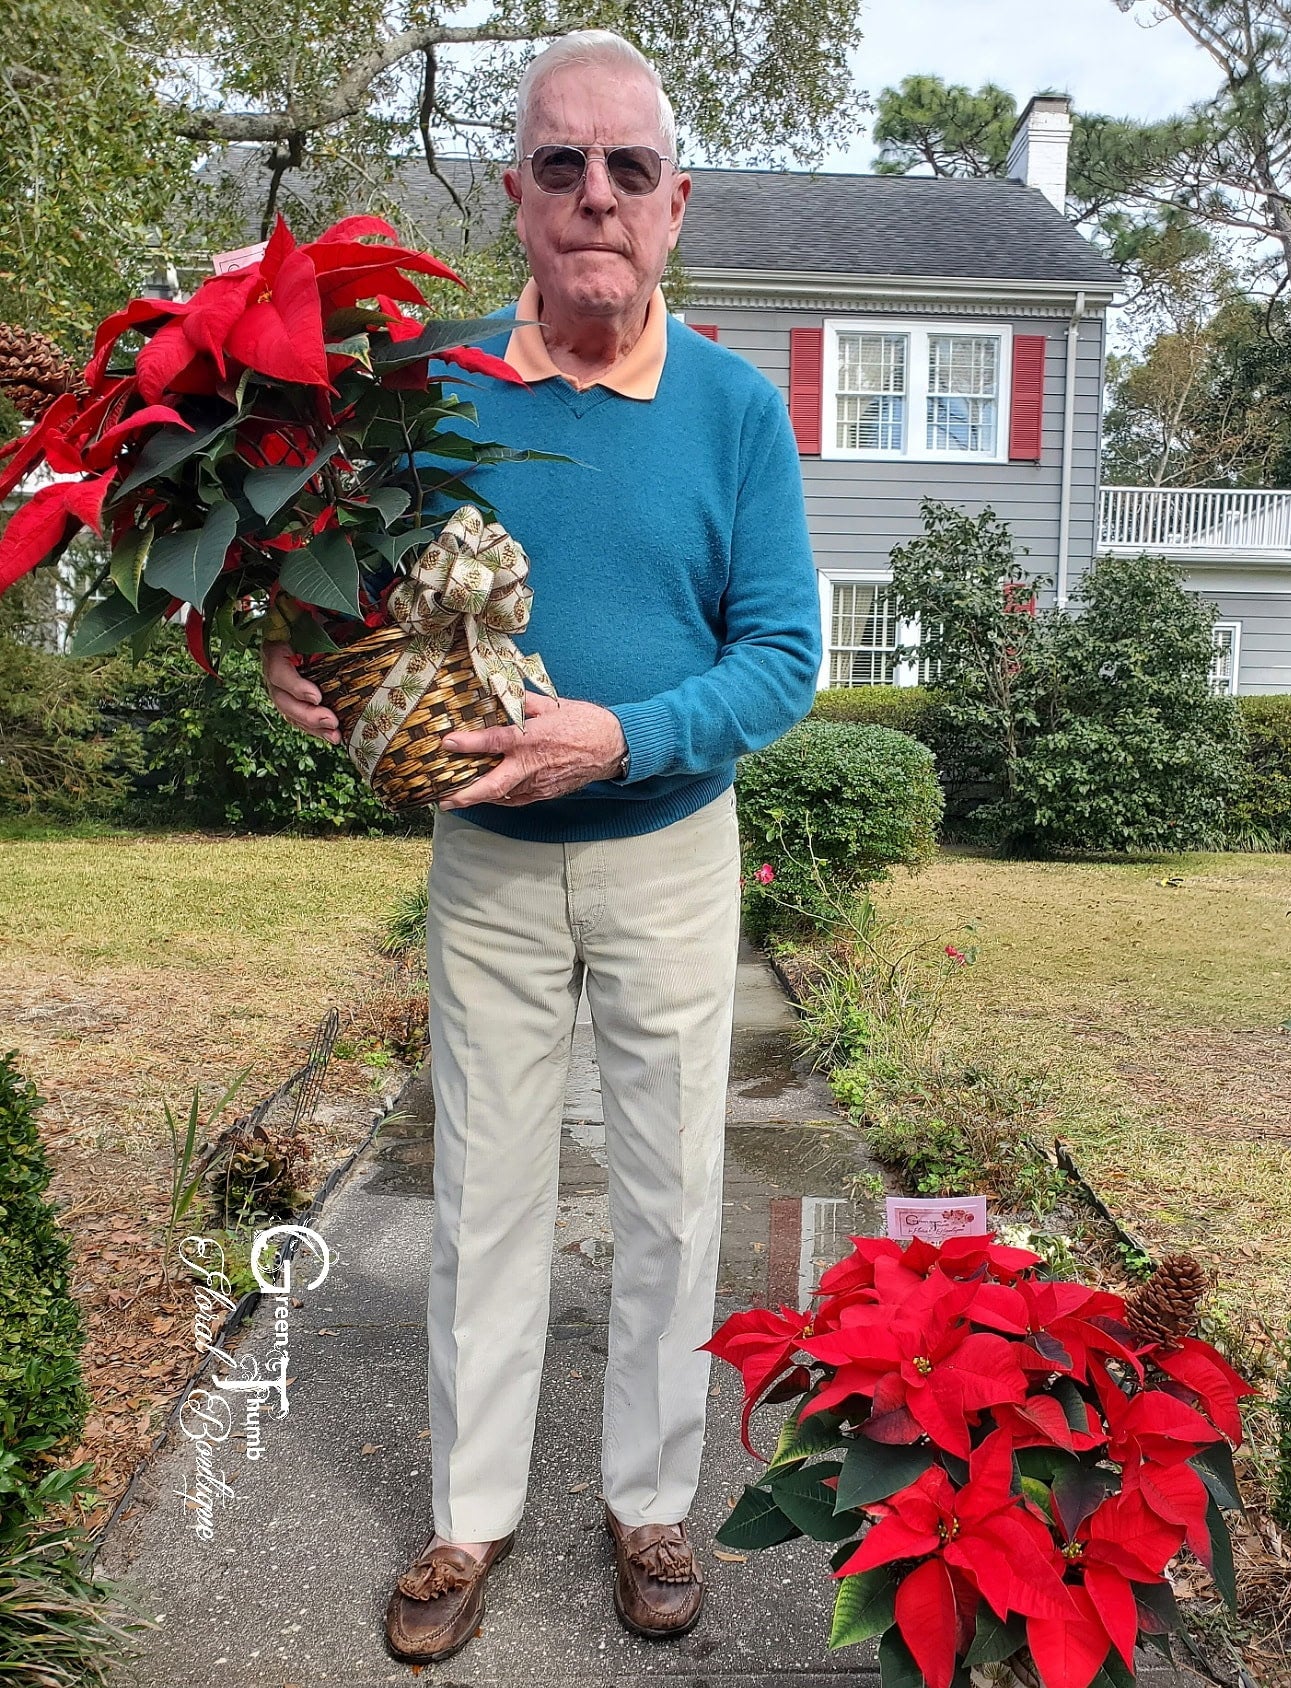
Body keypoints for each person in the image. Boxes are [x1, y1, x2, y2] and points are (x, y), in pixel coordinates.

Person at [261, 27, 821, 1666]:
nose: (595, 194)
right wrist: (303, 643)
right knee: (486, 1195)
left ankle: (650, 1502)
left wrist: (621, 735)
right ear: (515, 193)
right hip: (487, 860)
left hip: (668, 848)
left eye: (628, 168)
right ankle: (467, 1517)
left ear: (674, 204)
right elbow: (344, 574)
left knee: (672, 1193)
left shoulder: (734, 410)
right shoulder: (426, 388)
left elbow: (783, 657)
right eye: (561, 163)